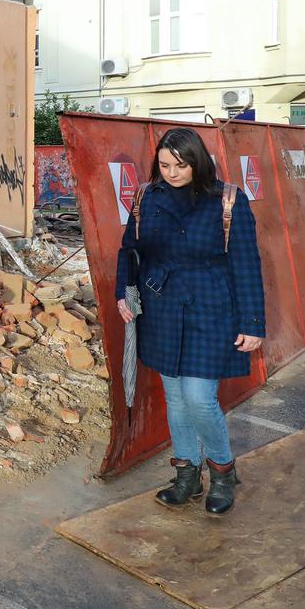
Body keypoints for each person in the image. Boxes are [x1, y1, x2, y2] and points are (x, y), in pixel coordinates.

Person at [115, 128, 266, 515]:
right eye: (164, 165)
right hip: (162, 305)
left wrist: (252, 323)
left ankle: (222, 470)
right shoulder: (147, 197)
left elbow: (246, 265)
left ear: (197, 162)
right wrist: (123, 292)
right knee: (176, 399)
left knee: (200, 398)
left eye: (180, 165)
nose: (172, 172)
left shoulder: (228, 200)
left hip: (211, 306)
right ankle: (186, 475)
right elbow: (129, 250)